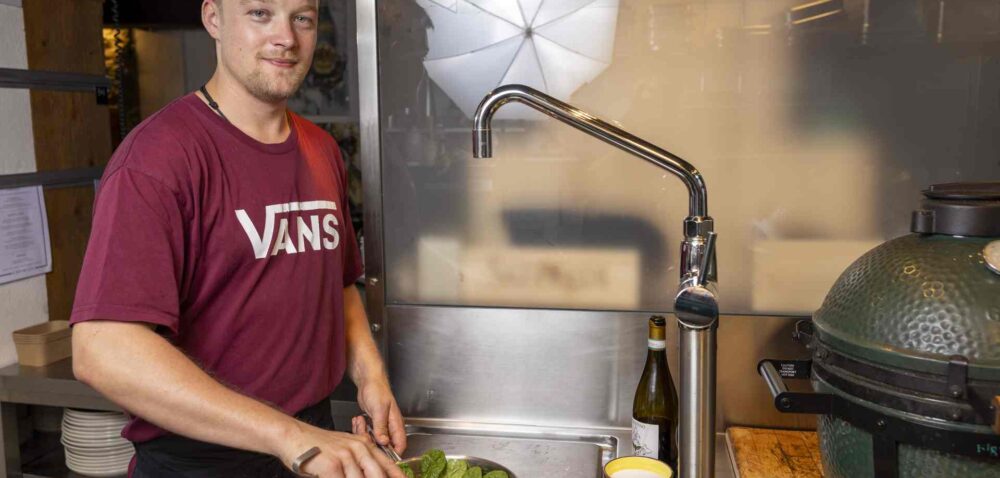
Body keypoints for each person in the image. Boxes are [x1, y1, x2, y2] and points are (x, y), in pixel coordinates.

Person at [69, 1, 406, 477]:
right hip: (202, 461)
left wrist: (371, 379)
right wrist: (286, 435)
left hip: (311, 446)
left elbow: (339, 284)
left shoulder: (321, 149)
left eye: (302, 18)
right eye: (260, 13)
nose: (286, 37)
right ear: (213, 19)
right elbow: (102, 349)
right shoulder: (159, 158)